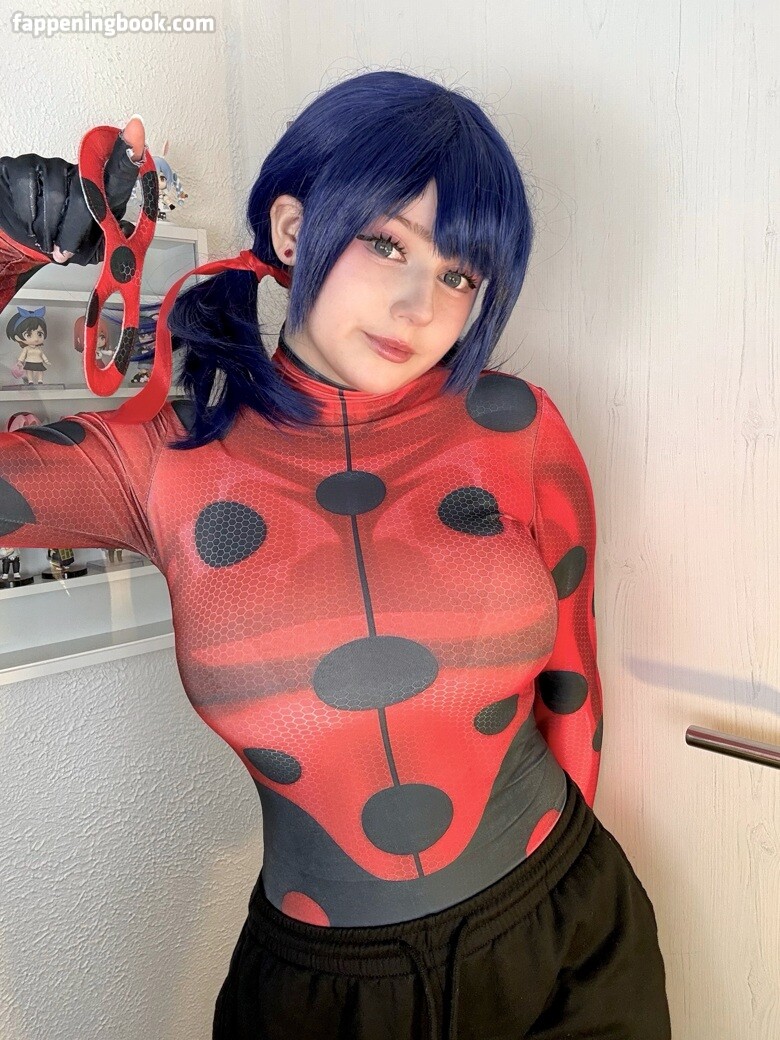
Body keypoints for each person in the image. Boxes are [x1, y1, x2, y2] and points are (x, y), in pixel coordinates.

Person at [0, 70, 671, 1039]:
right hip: (320, 1000)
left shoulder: (517, 426)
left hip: (568, 941)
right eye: (387, 242)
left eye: (459, 275)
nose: (418, 304)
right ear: (290, 229)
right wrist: (9, 245)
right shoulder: (161, 458)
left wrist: (550, 919)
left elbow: (573, 685)